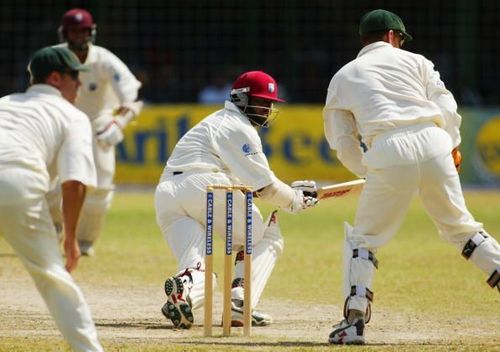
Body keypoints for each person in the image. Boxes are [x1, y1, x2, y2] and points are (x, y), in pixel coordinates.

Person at [323, 9, 500, 345]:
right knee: (461, 228)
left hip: (387, 148)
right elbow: (446, 105)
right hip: (433, 140)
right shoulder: (417, 62)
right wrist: (452, 143)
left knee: (365, 239)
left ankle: (354, 322)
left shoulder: (344, 75)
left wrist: (369, 169)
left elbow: (341, 138)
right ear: (393, 36)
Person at [155, 70, 318, 329]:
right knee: (265, 236)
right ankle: (239, 304)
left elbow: (250, 186)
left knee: (198, 266)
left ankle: (183, 289)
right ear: (241, 99)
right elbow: (265, 187)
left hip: (167, 194)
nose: (267, 109)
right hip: (204, 186)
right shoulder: (237, 126)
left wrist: (291, 192)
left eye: (270, 104)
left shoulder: (217, 122)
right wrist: (296, 200)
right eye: (262, 102)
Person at [0, 46, 102, 351]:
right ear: (57, 78)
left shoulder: (4, 103)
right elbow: (74, 184)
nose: (80, 86)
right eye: (75, 78)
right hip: (14, 183)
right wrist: (71, 239)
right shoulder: (72, 116)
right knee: (52, 275)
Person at [51, 8, 143, 255]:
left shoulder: (103, 59)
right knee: (51, 183)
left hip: (96, 124)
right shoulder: (54, 57)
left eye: (83, 31)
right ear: (64, 32)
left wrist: (119, 123)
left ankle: (84, 242)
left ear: (91, 32)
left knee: (101, 187)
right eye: (73, 31)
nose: (78, 36)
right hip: (62, 124)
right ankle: (54, 230)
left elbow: (131, 95)